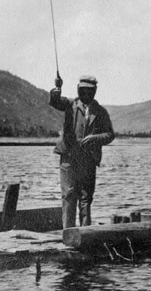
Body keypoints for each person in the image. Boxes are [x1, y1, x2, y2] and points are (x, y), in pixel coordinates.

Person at [49, 75, 115, 228]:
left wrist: (94, 138)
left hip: (88, 160)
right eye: (83, 90)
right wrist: (57, 89)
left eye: (90, 90)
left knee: (86, 198)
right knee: (69, 195)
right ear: (79, 90)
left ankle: (85, 234)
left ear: (95, 91)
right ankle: (68, 232)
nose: (86, 93)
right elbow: (55, 101)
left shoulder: (101, 112)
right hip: (69, 158)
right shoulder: (69, 104)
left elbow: (110, 134)